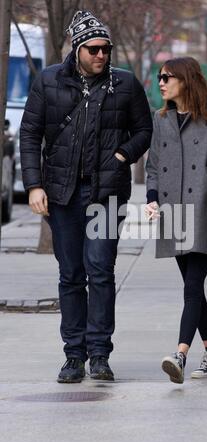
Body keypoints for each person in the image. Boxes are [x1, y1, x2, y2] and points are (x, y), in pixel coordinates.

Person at [20, 10, 152, 383]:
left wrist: (123, 155)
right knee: (71, 275)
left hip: (106, 195)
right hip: (62, 195)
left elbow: (144, 129)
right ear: (77, 48)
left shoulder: (124, 85)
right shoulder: (48, 81)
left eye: (105, 49)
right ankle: (73, 355)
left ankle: (99, 354)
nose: (101, 56)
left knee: (101, 270)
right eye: (94, 49)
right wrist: (34, 185)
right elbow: (29, 135)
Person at [145, 57, 207, 384]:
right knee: (194, 289)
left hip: (202, 211)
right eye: (160, 78)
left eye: (167, 77)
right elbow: (152, 166)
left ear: (185, 80)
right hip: (172, 214)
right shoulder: (160, 119)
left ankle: (180, 355)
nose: (161, 83)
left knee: (192, 286)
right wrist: (150, 199)